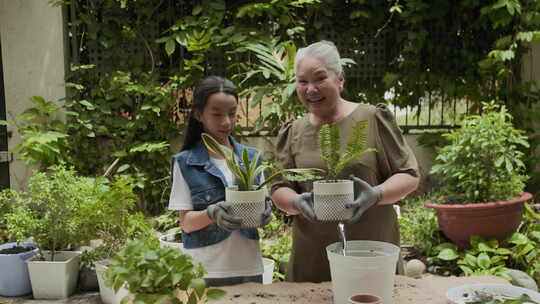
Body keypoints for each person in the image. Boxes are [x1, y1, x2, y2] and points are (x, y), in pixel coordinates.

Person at [270, 41, 420, 283]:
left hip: (371, 253)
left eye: (320, 78)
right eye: (302, 81)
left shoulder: (372, 119)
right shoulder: (293, 131)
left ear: (340, 78)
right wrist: (296, 202)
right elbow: (278, 188)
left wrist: (376, 194)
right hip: (312, 257)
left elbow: (409, 175)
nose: (310, 89)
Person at [168, 76, 272, 286]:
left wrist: (265, 213)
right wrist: (211, 213)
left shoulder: (252, 159)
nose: (227, 122)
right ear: (199, 114)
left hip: (249, 268)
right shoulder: (185, 162)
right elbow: (186, 223)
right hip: (204, 271)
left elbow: (263, 204)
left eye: (232, 114)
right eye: (216, 114)